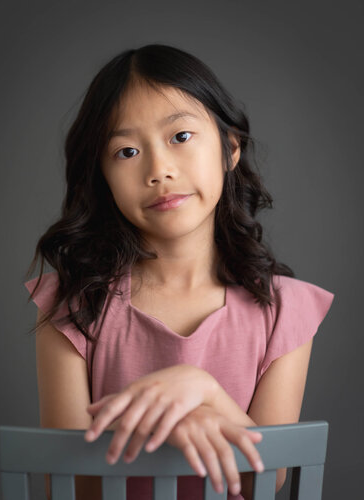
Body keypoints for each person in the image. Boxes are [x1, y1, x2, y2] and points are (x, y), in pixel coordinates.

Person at [23, 43, 335, 500]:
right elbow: (69, 484)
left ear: (230, 148)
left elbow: (268, 479)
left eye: (180, 137)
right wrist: (172, 423)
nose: (159, 170)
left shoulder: (286, 311)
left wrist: (201, 389)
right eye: (127, 151)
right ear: (103, 179)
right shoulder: (71, 306)